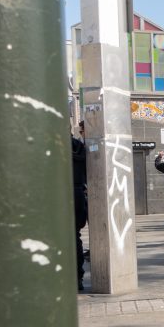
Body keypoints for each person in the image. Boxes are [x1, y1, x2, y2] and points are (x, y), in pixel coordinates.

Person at [72, 121, 88, 291]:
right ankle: (78, 278)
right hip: (77, 194)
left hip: (60, 195)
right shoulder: (79, 147)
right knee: (75, 237)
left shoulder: (51, 146)